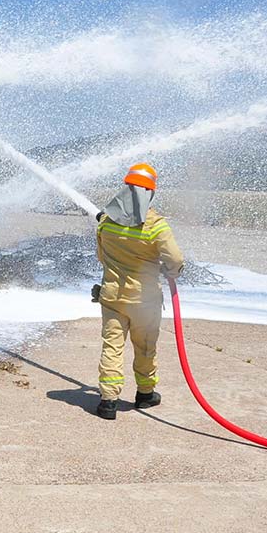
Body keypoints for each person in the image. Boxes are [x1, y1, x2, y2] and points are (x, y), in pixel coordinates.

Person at [93, 163, 184, 420]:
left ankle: (108, 402)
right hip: (144, 301)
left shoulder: (106, 222)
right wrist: (173, 271)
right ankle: (145, 395)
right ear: (150, 193)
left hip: (111, 297)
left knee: (112, 347)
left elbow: (102, 256)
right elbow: (175, 260)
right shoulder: (155, 225)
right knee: (144, 347)